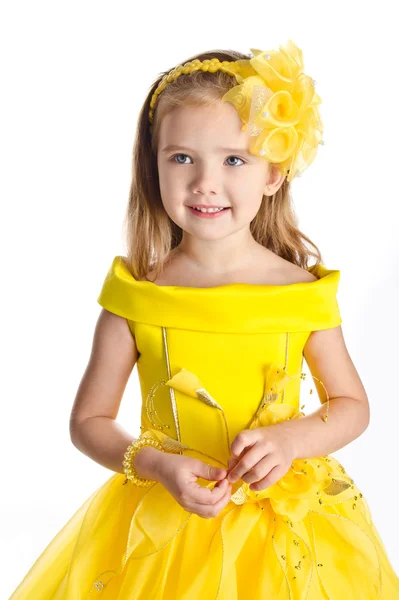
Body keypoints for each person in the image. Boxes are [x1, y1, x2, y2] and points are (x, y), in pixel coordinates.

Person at [10, 40, 399, 599]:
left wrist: (290, 440)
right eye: (182, 157)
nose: (205, 182)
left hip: (283, 532)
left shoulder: (301, 293)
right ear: (155, 166)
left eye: (233, 159)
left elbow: (352, 406)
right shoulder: (138, 293)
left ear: (274, 173)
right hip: (162, 527)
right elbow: (89, 419)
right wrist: (154, 464)